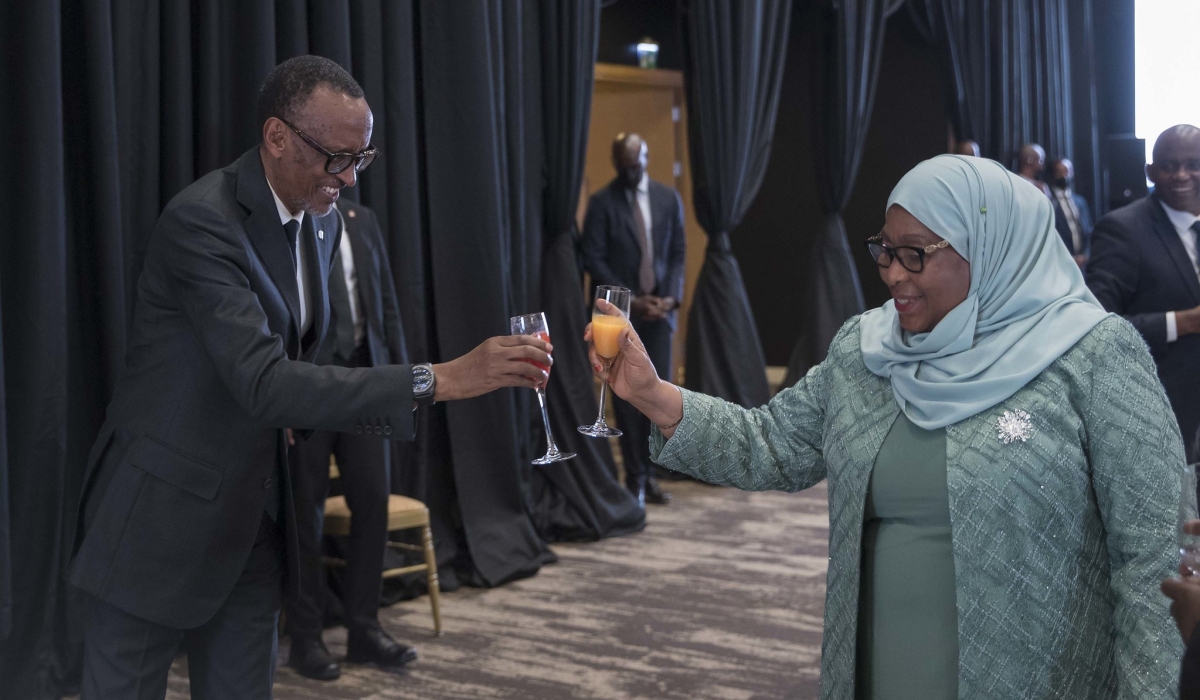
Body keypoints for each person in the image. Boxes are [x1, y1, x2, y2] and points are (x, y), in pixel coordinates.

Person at [587, 155, 1184, 698]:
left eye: (916, 253)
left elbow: (1150, 560)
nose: (893, 274)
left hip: (1037, 678)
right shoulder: (867, 350)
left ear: (990, 246)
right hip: (880, 666)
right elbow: (769, 445)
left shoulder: (1093, 355)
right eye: (884, 251)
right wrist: (651, 393)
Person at [68, 55, 552, 700]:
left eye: (362, 157)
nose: (349, 178)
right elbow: (265, 380)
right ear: (276, 137)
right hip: (159, 521)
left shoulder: (320, 223)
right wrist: (437, 379)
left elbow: (301, 354)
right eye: (336, 157)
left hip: (255, 524)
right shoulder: (203, 223)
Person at [284, 199, 412, 680]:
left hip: (365, 385)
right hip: (309, 390)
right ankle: (306, 639)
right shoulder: (287, 223)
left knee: (373, 504)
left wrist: (401, 381)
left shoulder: (362, 220)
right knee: (305, 517)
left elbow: (386, 306)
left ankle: (363, 629)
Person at [580, 132, 686, 507]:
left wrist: (669, 299)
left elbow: (677, 252)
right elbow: (594, 258)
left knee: (656, 395)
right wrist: (633, 301)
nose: (630, 172)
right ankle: (635, 480)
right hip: (621, 316)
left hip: (660, 316)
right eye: (623, 167)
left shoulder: (667, 198)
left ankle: (653, 473)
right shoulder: (601, 203)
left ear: (646, 157)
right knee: (627, 399)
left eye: (636, 164)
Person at [1086, 124, 1200, 460]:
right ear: (1150, 170)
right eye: (1168, 165)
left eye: (1193, 164)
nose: (1181, 175)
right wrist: (1182, 323)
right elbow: (1095, 326)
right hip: (1164, 414)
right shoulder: (1122, 229)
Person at [1048, 157, 1093, 269]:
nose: (1064, 176)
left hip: (1081, 264)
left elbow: (1088, 230)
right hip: (1059, 265)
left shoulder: (1080, 201)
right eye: (1060, 172)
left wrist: (1085, 255)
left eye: (1067, 171)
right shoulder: (1049, 201)